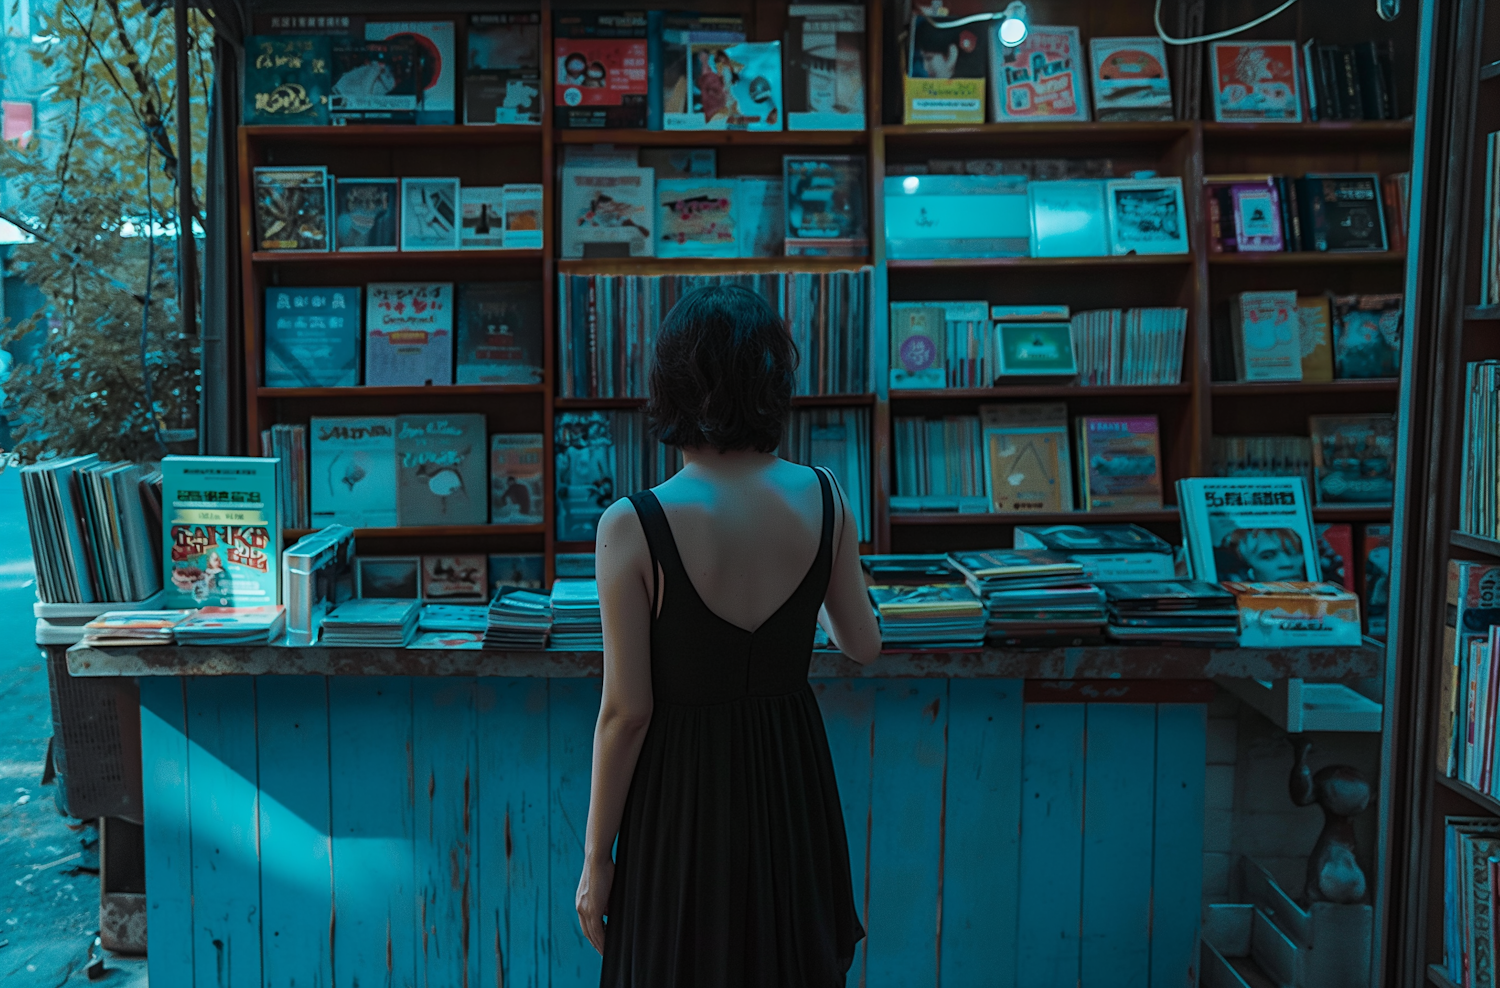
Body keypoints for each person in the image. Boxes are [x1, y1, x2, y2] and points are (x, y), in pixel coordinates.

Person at [576, 285, 881, 986]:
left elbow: (627, 713)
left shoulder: (633, 524)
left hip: (681, 801)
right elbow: (861, 643)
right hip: (790, 789)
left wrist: (598, 860)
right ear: (773, 380)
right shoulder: (826, 496)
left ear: (672, 383)